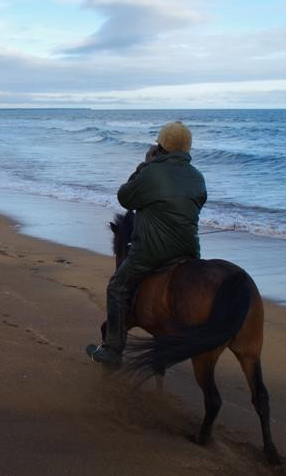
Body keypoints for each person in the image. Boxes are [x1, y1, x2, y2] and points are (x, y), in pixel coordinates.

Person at [86, 121, 207, 366]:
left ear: (160, 147)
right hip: (189, 250)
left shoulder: (151, 172)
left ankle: (113, 349)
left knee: (117, 287)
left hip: (152, 252)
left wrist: (144, 165)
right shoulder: (197, 176)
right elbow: (196, 204)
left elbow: (125, 197)